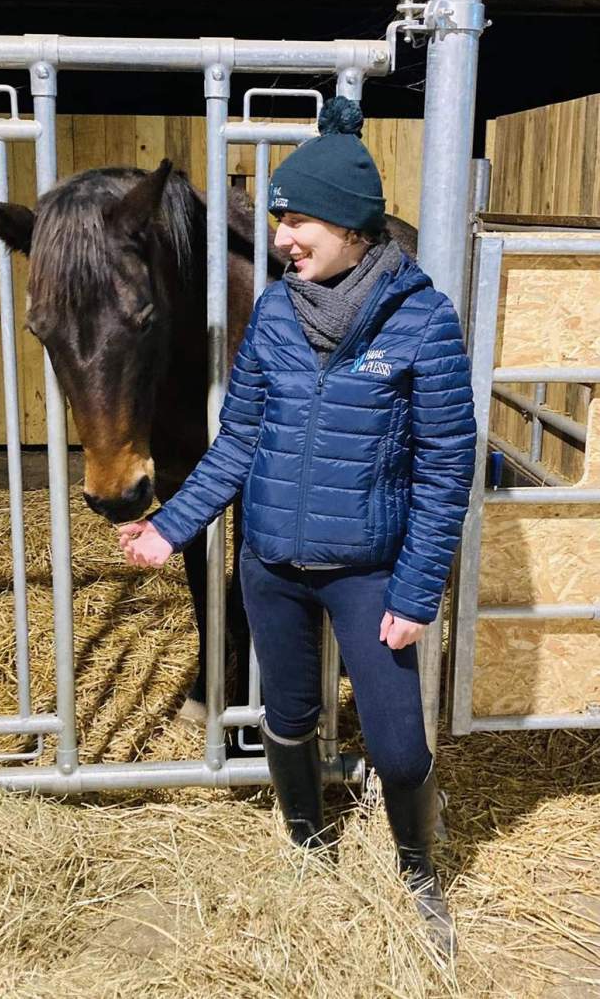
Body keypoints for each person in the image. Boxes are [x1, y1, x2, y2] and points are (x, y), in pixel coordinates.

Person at [117, 97, 476, 956]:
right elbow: (238, 439)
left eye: (296, 219)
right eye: (278, 219)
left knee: (394, 747)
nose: (280, 237)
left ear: (352, 225)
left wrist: (418, 587)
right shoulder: (277, 315)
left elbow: (445, 468)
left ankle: (417, 873)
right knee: (288, 716)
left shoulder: (421, 321)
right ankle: (307, 847)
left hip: (368, 574)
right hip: (270, 563)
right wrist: (172, 527)